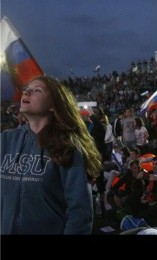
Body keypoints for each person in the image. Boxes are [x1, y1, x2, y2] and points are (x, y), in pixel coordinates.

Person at [0, 76, 102, 234]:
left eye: (37, 90)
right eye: (27, 89)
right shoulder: (5, 140)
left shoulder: (67, 146)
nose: (26, 92)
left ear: (53, 105)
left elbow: (80, 212)